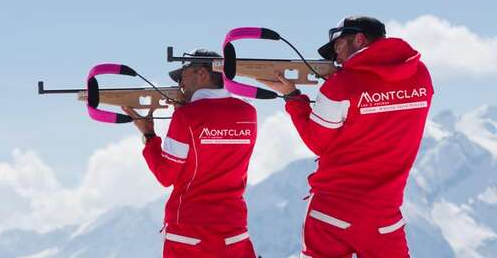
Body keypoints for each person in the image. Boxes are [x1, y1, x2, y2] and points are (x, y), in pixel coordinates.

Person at [259, 16, 433, 258]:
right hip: (384, 216)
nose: (335, 58)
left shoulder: (340, 86)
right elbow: (382, 114)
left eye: (338, 47)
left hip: (331, 211)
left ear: (359, 39)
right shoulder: (421, 75)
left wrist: (292, 96)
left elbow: (317, 141)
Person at [123, 49, 258, 258]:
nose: (180, 85)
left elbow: (166, 175)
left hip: (189, 229)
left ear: (202, 74)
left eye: (182, 77)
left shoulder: (186, 117)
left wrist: (149, 136)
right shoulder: (248, 112)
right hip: (233, 228)